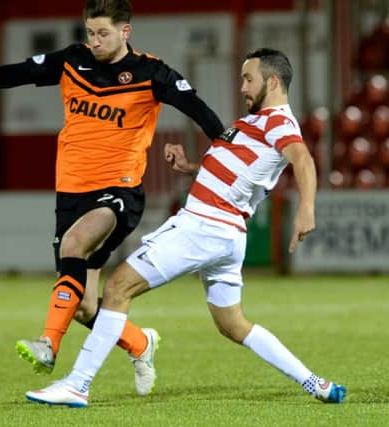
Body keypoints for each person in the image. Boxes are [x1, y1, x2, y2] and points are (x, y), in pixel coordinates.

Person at [0, 0, 224, 396]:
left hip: (120, 188)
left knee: (75, 244)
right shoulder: (74, 61)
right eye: (90, 33)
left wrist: (220, 158)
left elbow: (202, 113)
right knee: (85, 306)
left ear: (126, 32)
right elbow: (19, 72)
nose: (95, 41)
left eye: (103, 33)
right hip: (71, 191)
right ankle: (140, 343)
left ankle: (48, 347)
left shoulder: (150, 73)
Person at [25, 48, 347, 407]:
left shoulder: (279, 122)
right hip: (226, 235)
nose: (242, 87)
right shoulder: (256, 122)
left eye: (248, 79)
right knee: (233, 325)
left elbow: (302, 159)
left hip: (204, 225)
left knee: (117, 288)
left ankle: (77, 385)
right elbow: (239, 172)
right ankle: (314, 382)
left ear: (272, 81)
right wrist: (192, 167)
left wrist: (306, 208)